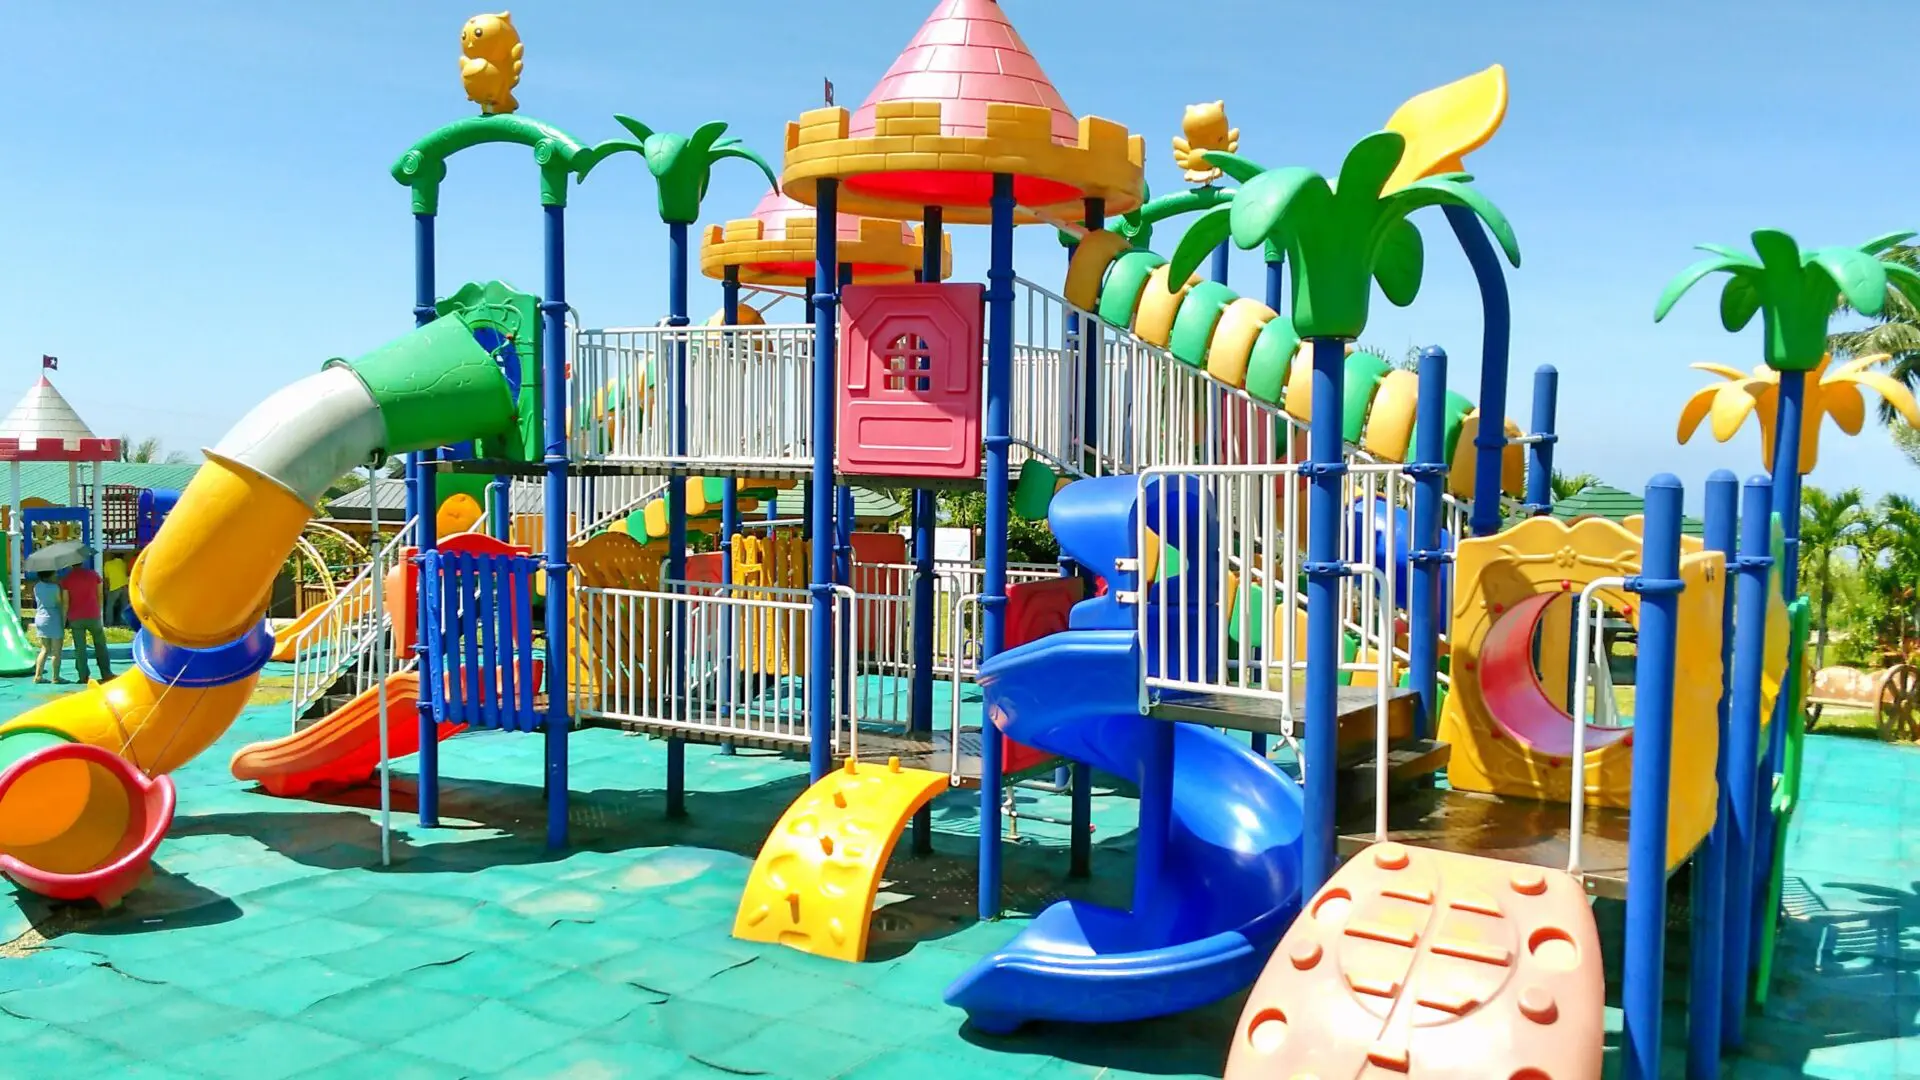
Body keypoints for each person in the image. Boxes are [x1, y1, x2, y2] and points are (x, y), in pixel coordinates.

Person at [60, 559, 112, 683]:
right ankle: (106, 673)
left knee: (80, 648)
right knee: (100, 645)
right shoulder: (94, 575)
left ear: (71, 564)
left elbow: (66, 602)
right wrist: (99, 610)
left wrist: (63, 620)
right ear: (82, 562)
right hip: (93, 614)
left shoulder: (66, 579)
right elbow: (100, 594)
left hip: (76, 617)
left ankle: (83, 676)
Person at [30, 570, 65, 684]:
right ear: (49, 576)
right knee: (56, 651)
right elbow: (59, 603)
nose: (56, 575)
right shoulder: (55, 588)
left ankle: (38, 676)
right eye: (54, 574)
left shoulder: (37, 587)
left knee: (45, 649)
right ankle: (55, 677)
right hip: (53, 618)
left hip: (40, 618)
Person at [103, 554, 131, 628]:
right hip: (124, 586)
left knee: (110, 606)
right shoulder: (124, 564)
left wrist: (106, 589)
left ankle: (109, 623)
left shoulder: (107, 564)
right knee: (124, 605)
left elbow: (107, 579)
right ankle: (124, 623)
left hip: (114, 587)